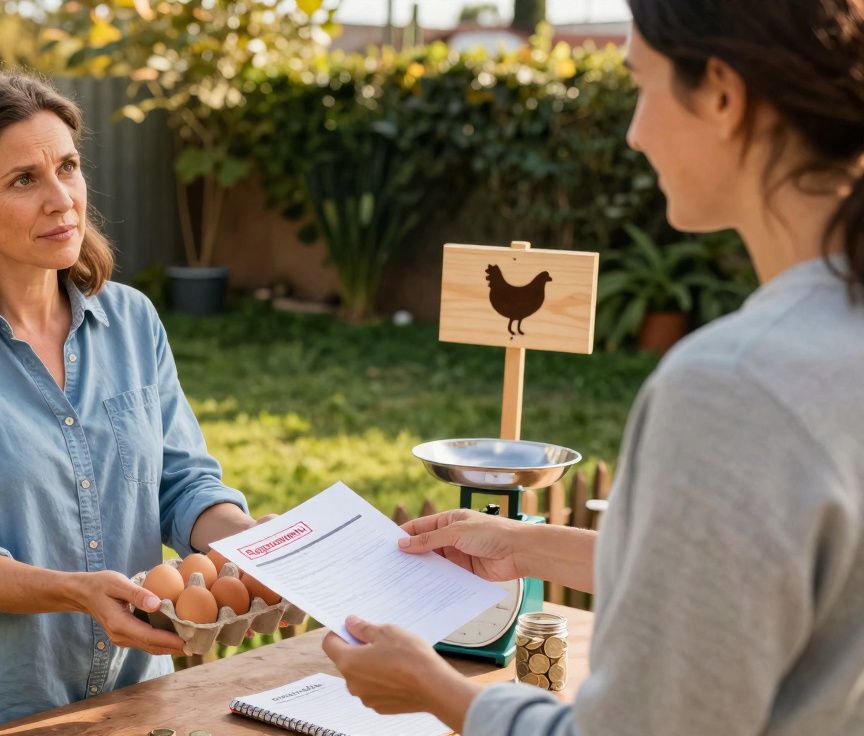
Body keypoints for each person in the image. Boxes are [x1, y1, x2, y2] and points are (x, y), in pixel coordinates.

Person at [324, 1, 864, 734]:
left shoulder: (735, 386)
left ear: (723, 94)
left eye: (640, 85)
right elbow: (771, 581)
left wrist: (437, 689)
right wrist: (525, 546)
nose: (635, 132)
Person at [0, 73, 263, 735]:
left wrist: (259, 550)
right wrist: (80, 594)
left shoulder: (133, 321)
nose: (63, 201)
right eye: (24, 179)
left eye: (69, 168)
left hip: (132, 705)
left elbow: (183, 483)